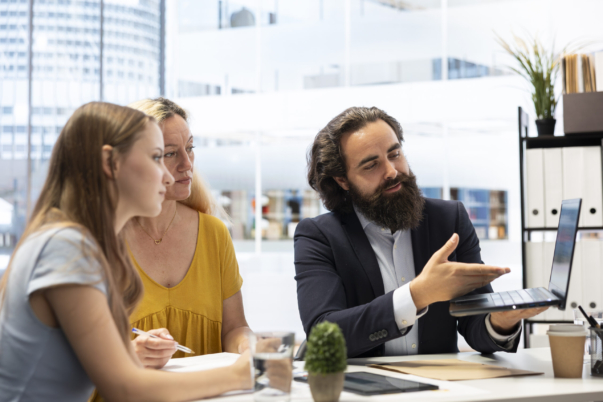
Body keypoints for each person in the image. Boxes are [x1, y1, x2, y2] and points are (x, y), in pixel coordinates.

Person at [0, 102, 252, 401]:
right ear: (111, 162)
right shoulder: (66, 248)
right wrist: (244, 373)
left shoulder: (79, 243)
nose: (170, 177)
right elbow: (124, 388)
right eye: (158, 157)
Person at [294, 106, 548, 358]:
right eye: (371, 165)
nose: (392, 171)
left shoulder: (450, 220)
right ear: (343, 180)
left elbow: (474, 325)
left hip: (438, 389)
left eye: (395, 154)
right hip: (359, 390)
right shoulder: (319, 236)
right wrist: (416, 295)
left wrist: (501, 320)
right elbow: (321, 334)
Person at [124, 97, 251, 368]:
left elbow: (234, 328)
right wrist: (127, 355)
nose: (187, 164)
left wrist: (249, 346)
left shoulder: (214, 234)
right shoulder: (102, 242)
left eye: (190, 148)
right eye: (170, 153)